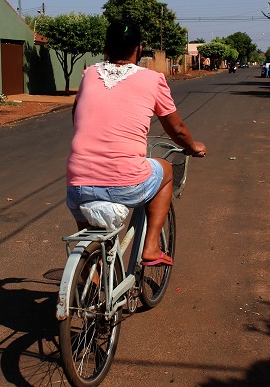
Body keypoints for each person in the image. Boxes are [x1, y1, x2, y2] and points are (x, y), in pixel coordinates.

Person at [66, 21, 206, 266]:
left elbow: (76, 115)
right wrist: (193, 146)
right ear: (140, 49)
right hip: (126, 183)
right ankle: (151, 247)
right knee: (166, 170)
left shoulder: (89, 73)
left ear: (105, 49)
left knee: (88, 247)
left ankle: (89, 286)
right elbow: (176, 129)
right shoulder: (153, 79)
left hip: (77, 185)